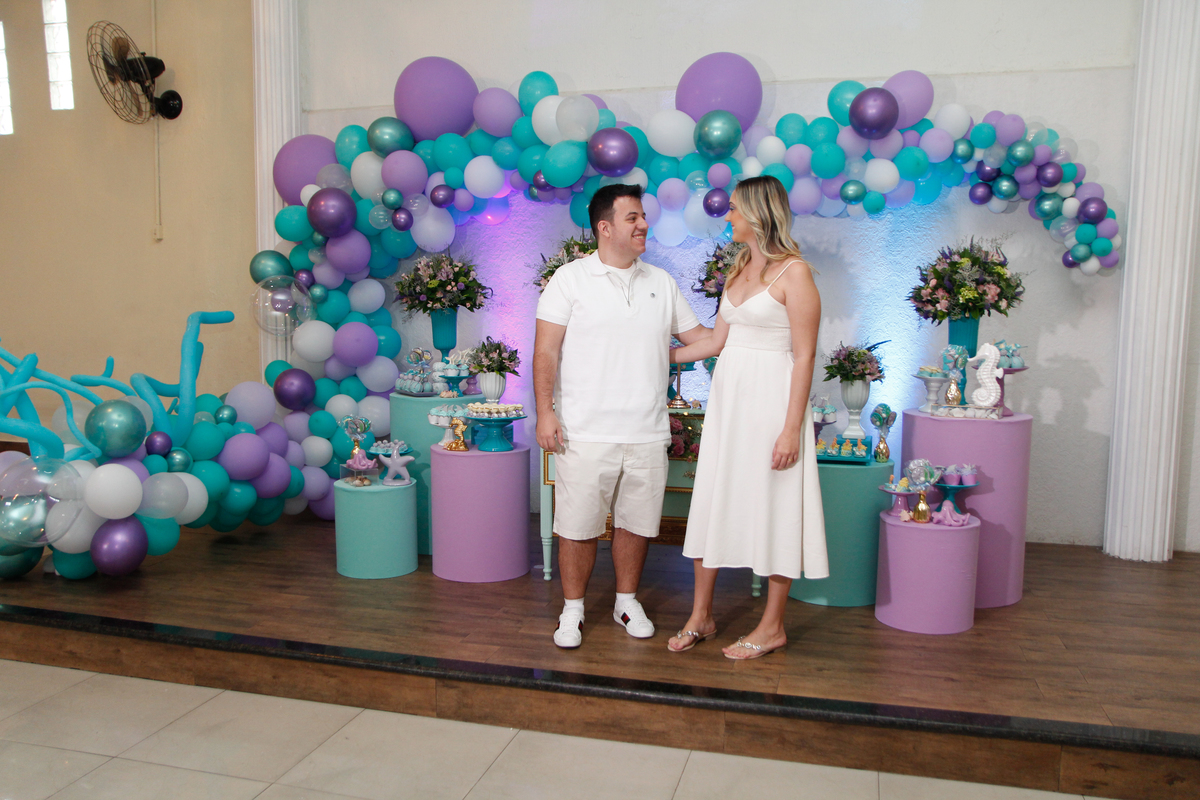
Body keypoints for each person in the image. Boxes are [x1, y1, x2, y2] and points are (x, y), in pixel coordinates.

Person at [534, 183, 708, 649]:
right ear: (604, 227)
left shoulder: (661, 282)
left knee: (636, 523)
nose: (644, 224)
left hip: (647, 431)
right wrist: (545, 413)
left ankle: (626, 602)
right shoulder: (569, 279)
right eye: (633, 218)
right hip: (583, 431)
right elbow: (546, 352)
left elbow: (701, 340)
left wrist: (747, 318)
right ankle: (572, 610)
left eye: (643, 216)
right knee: (577, 525)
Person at [665, 175, 828, 660]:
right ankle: (701, 616)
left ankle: (773, 626)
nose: (728, 215)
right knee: (713, 500)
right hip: (730, 409)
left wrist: (791, 429)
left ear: (758, 214)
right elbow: (716, 342)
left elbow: (805, 356)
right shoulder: (736, 272)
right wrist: (655, 354)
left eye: (735, 208)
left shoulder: (795, 273)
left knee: (777, 505)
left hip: (772, 407)